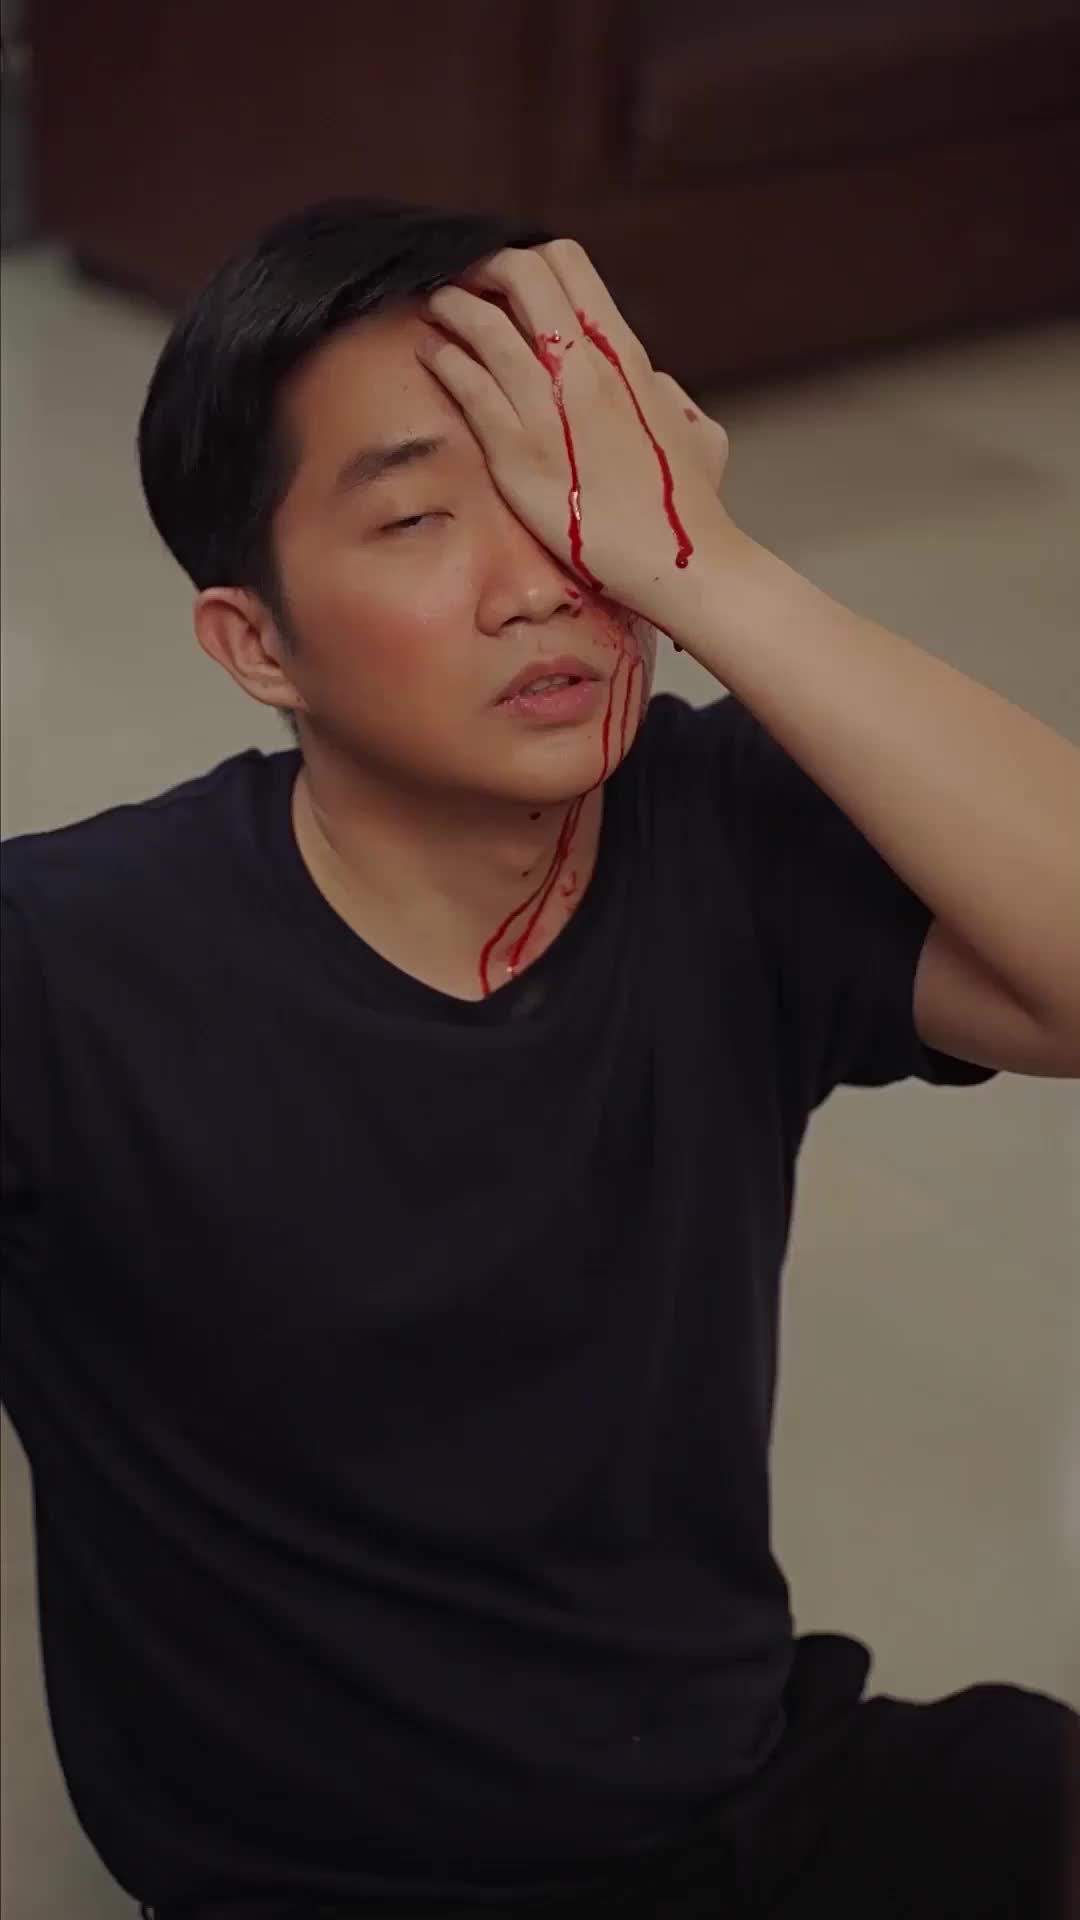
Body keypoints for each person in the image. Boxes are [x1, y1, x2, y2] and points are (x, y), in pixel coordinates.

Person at [1, 198, 1077, 1920]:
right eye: (420, 515)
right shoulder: (60, 964)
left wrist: (716, 572)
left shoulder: (719, 832)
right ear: (255, 643)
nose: (541, 580)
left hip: (741, 1802)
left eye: (566, 485)